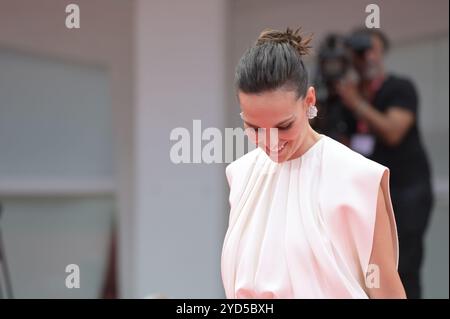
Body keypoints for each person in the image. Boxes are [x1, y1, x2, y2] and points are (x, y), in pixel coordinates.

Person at [221, 28, 406, 299]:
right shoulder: (240, 174)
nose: (271, 142)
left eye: (283, 126)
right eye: (254, 128)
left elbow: (386, 292)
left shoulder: (358, 178)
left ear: (309, 100)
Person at [335, 28, 434, 299]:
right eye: (360, 51)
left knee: (403, 268)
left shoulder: (399, 88)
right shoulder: (344, 99)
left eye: (373, 49)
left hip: (406, 195)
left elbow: (393, 131)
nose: (367, 57)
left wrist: (356, 103)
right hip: (368, 198)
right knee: (367, 270)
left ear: (382, 53)